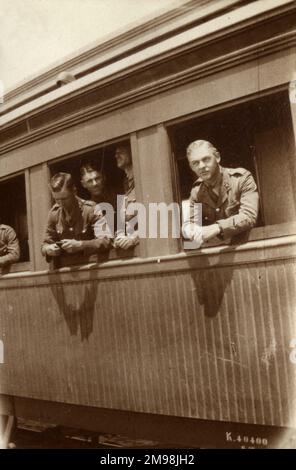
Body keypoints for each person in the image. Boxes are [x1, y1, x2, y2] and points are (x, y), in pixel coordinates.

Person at [182, 140, 259, 246]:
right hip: (217, 251)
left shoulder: (241, 179)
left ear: (217, 157)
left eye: (206, 159)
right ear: (191, 167)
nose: (201, 166)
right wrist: (190, 230)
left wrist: (217, 227)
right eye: (195, 163)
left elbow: (249, 216)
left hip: (247, 246)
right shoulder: (196, 192)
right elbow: (190, 224)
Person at [41, 172, 111, 260]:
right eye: (57, 199)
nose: (61, 203)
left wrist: (81, 245)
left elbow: (106, 241)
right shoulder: (54, 214)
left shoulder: (91, 210)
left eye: (64, 199)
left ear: (74, 191)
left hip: (90, 267)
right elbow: (45, 244)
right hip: (66, 269)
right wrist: (48, 249)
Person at [113, 145, 139, 250]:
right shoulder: (126, 184)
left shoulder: (144, 179)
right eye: (116, 153)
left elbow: (156, 219)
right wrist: (119, 236)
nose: (116, 156)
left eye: (121, 152)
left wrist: (133, 239)